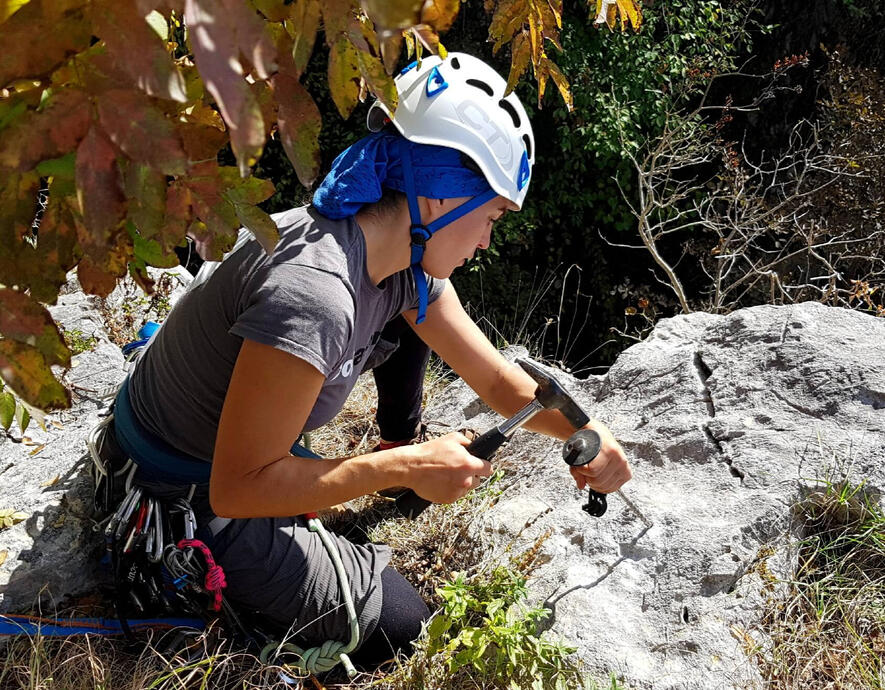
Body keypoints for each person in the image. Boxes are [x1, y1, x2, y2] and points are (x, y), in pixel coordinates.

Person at [111, 53, 632, 669]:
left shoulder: (395, 263)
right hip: (172, 490)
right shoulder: (317, 295)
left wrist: (586, 432)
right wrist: (404, 464)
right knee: (405, 625)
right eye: (489, 216)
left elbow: (495, 377)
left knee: (411, 336)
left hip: (202, 451)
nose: (488, 240)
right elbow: (237, 489)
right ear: (440, 199)